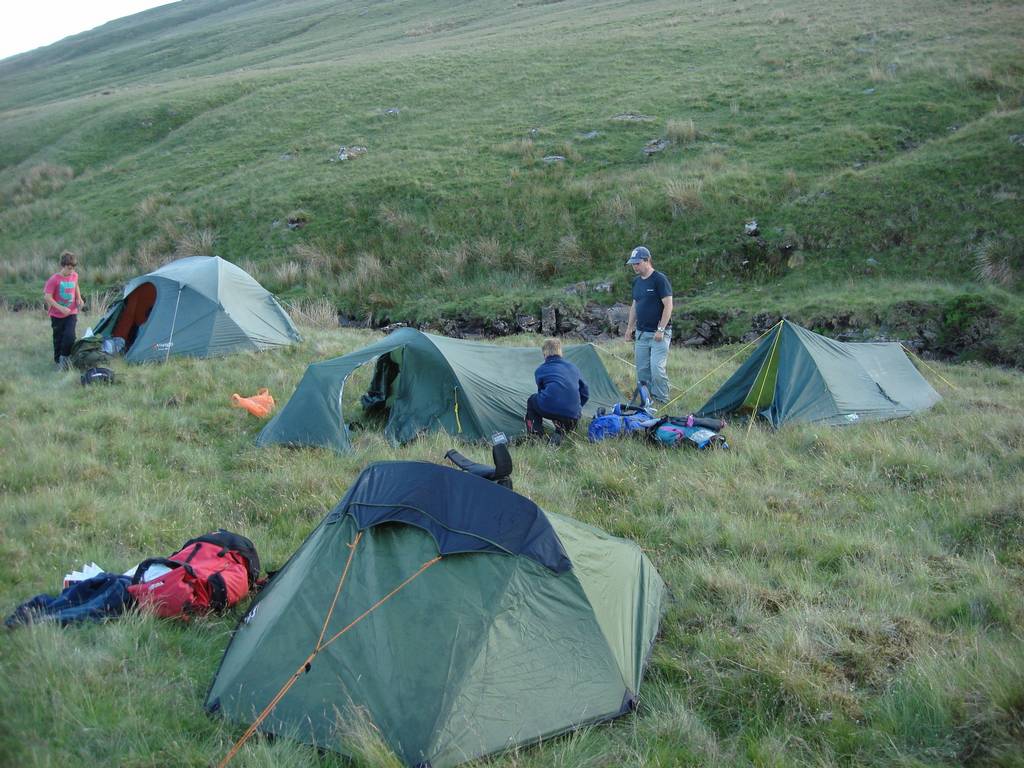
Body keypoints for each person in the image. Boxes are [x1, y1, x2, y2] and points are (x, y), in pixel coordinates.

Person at [623, 245, 673, 404]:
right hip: (641, 334)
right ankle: (646, 400)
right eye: (633, 263)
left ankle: (662, 400)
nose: (634, 266)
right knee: (642, 371)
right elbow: (635, 305)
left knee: (657, 369)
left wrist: (661, 329)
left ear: (647, 261)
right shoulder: (636, 282)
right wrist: (629, 328)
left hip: (659, 335)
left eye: (637, 263)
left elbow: (668, 305)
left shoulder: (659, 279)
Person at [525, 337, 589, 446]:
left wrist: (554, 412)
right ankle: (560, 432)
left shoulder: (540, 370)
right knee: (567, 417)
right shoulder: (573, 368)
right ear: (560, 352)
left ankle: (535, 437)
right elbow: (585, 394)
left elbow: (543, 395)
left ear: (544, 354)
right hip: (573, 414)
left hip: (548, 407)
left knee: (532, 401)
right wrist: (576, 408)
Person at [43, 250, 84, 369]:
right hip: (57, 315)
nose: (71, 270)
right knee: (58, 338)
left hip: (71, 312)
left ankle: (65, 360)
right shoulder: (54, 280)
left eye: (73, 268)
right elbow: (47, 297)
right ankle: (58, 362)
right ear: (63, 266)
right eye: (68, 268)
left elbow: (76, 285)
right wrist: (61, 308)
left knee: (70, 336)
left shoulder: (75, 275)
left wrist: (79, 298)